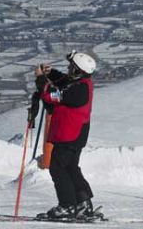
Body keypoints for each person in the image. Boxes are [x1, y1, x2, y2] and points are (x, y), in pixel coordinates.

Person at [31, 51, 97, 220]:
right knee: (70, 168)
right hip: (74, 134)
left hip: (69, 134)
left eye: (71, 67)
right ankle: (83, 204)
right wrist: (50, 73)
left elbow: (49, 95)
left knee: (58, 168)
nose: (68, 69)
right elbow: (64, 82)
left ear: (77, 71)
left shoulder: (78, 91)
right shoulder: (80, 84)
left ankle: (67, 206)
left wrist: (40, 79)